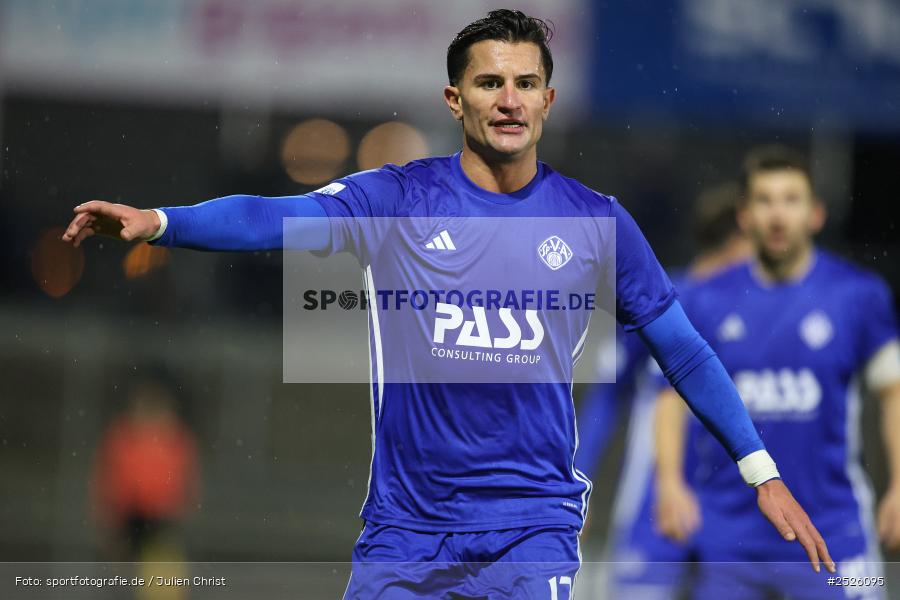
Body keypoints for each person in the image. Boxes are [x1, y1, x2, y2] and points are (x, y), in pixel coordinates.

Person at [63, 10, 833, 598]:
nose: (509, 100)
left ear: (548, 99)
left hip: (531, 531)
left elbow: (685, 348)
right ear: (455, 98)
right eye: (489, 83)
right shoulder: (398, 198)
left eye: (525, 83)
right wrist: (162, 223)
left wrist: (760, 470)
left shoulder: (595, 221)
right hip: (405, 534)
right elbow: (274, 218)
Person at [654, 146, 900, 599]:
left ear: (817, 213)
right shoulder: (705, 298)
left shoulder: (859, 296)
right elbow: (669, 396)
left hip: (833, 535)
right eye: (765, 200)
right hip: (729, 541)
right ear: (745, 216)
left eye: (791, 199)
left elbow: (893, 392)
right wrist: (669, 483)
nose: (778, 214)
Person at [575, 182, 753, 598]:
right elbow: (608, 394)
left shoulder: (765, 310)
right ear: (738, 240)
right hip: (653, 504)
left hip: (734, 509)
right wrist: (579, 481)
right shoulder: (655, 299)